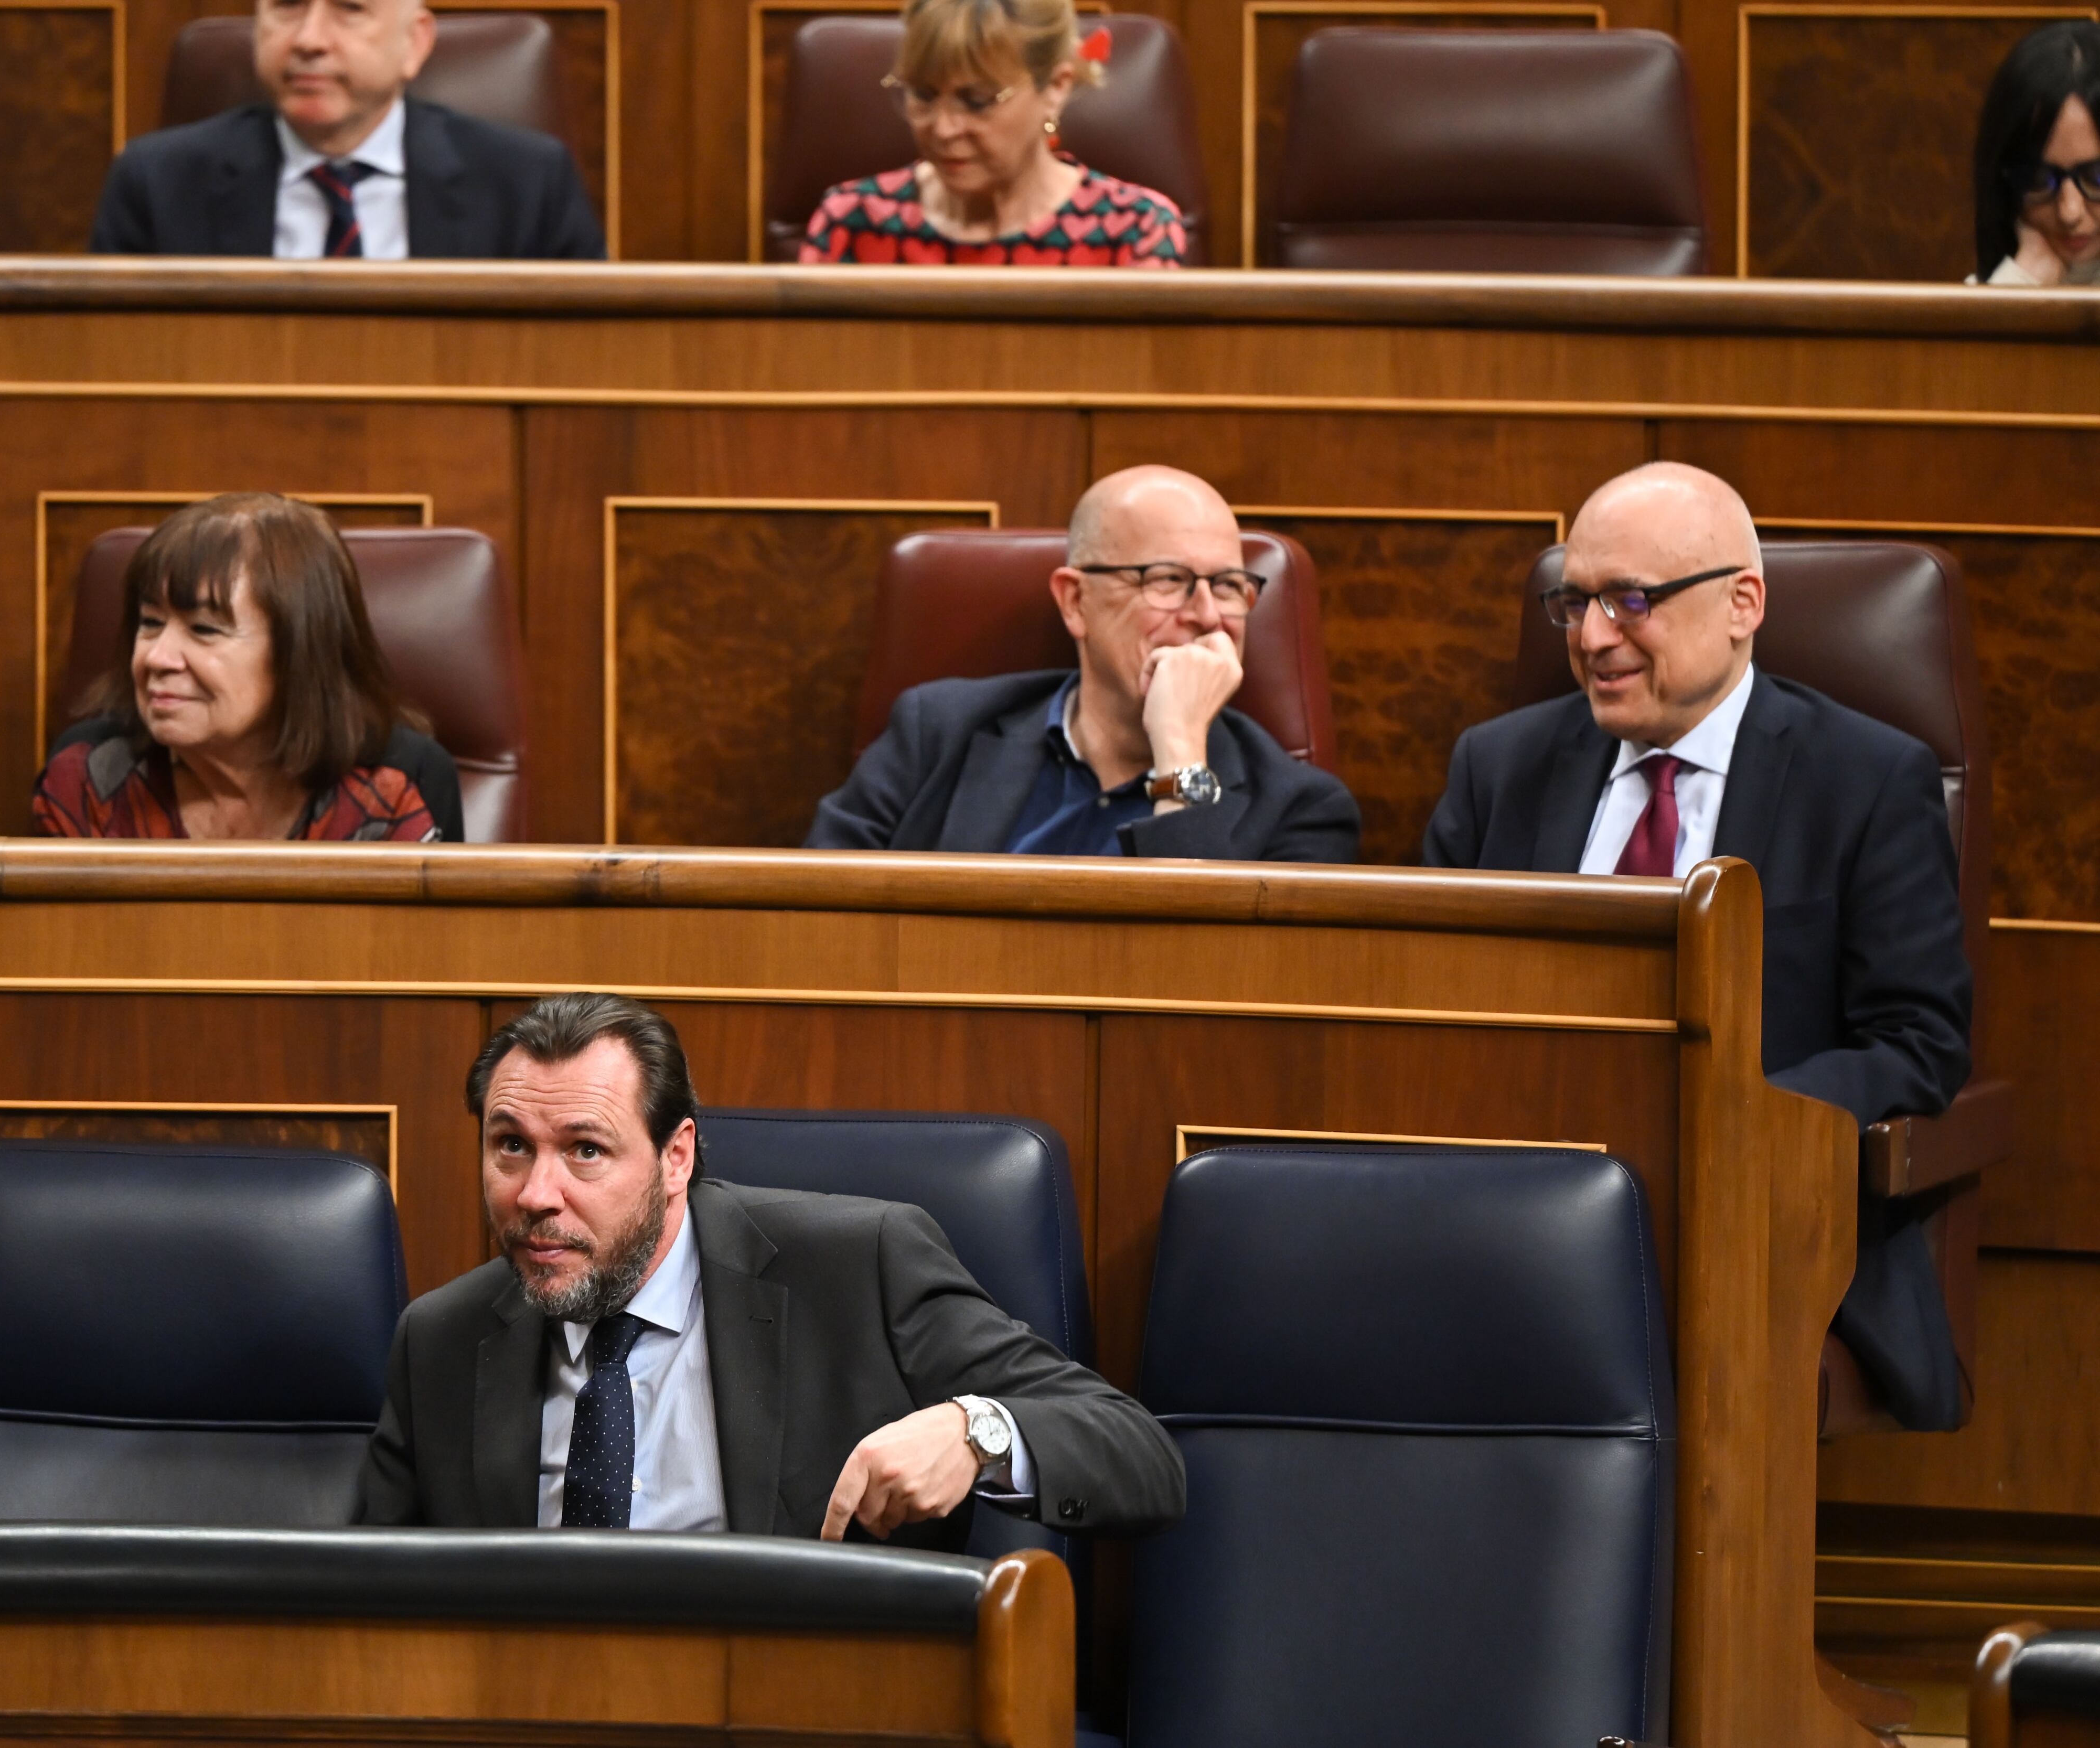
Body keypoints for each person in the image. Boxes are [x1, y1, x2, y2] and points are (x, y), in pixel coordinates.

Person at [1422, 461, 1973, 1428]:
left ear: (1742, 603)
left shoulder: (1868, 778)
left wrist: (1724, 1121)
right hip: (1509, 1196)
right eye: (1576, 602)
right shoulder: (1499, 766)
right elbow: (1425, 997)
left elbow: (1917, 1045)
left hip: (1742, 1214)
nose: (1595, 637)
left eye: (1631, 600)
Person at [356, 992, 1185, 1543]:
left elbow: (1140, 1454)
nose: (538, 1193)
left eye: (585, 1150)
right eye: (511, 1147)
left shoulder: (862, 1266)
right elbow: (365, 1613)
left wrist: (979, 1428)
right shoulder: (441, 1339)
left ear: (676, 1157)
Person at [806, 466, 1360, 862]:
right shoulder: (936, 731)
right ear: (1075, 603)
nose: (1208, 616)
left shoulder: (1301, 808)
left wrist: (1179, 749)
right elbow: (820, 919)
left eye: (1228, 586)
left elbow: (1202, 975)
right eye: (1166, 580)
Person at [33, 493, 458, 841]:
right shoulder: (90, 774)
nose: (157, 658)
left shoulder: (400, 784)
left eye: (204, 629)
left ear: (299, 652)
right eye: (151, 623)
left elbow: (421, 946)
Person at [90, 0, 602, 261]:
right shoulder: (156, 184)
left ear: (415, 43)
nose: (309, 39)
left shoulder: (528, 184)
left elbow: (585, 366)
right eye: (287, 7)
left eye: (350, 9)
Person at [798, 0, 1184, 267]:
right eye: (923, 95)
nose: (945, 129)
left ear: (1055, 88)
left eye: (977, 101)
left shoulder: (1136, 229)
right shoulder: (853, 222)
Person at [1970, 20, 2100, 286]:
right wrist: (2021, 283)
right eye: (2039, 179)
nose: (2070, 212)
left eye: (2095, 176)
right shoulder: (1992, 295)